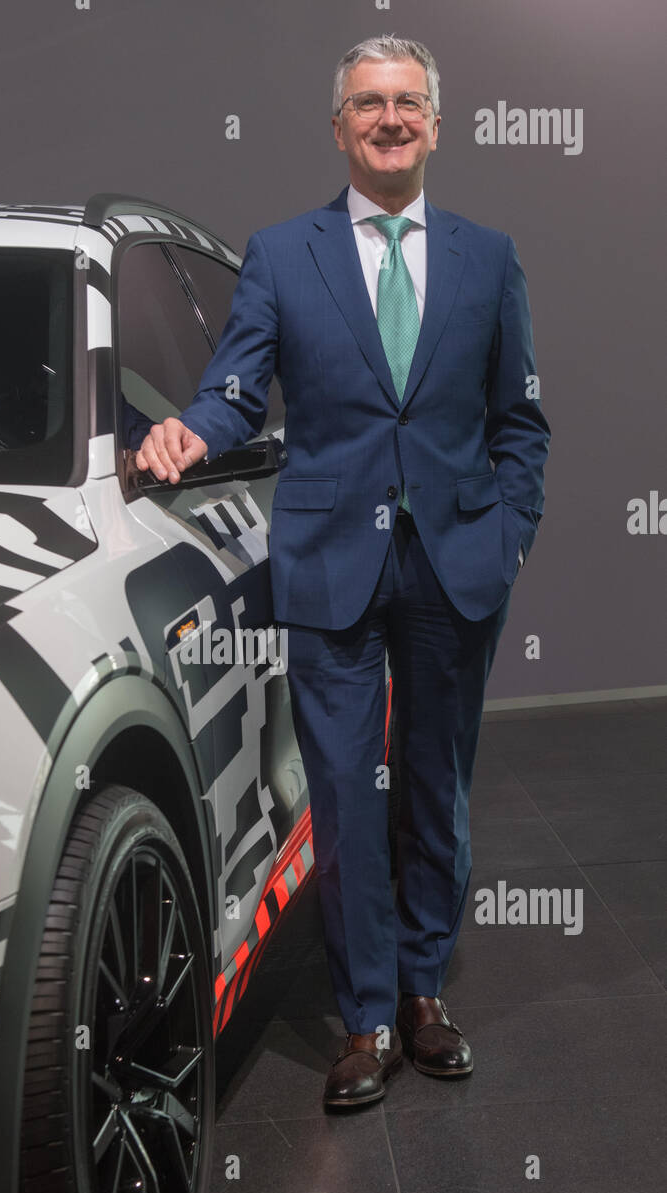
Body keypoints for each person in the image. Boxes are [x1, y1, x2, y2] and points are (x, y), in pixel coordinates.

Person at [135, 34, 549, 1108]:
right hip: (327, 565)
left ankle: (423, 990)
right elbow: (235, 389)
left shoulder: (486, 256)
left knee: (434, 787)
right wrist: (190, 429)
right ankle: (363, 1013)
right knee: (344, 794)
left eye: (407, 102)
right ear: (337, 127)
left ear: (434, 123)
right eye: (367, 103)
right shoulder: (281, 253)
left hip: (456, 564)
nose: (388, 119)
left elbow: (519, 423)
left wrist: (505, 535)